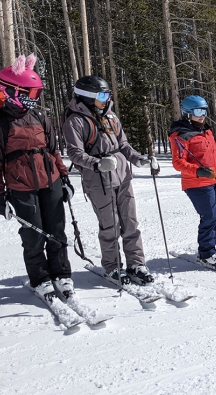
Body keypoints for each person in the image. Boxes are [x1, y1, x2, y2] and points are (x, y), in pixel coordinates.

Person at [0, 54, 73, 300]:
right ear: (12, 91)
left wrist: (64, 178)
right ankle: (40, 278)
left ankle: (61, 274)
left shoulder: (41, 117)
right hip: (21, 186)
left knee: (56, 230)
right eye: (30, 94)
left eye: (37, 94)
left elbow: (54, 150)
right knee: (33, 236)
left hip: (51, 181)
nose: (35, 99)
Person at [62, 76, 159, 285]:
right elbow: (75, 153)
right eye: (102, 95)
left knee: (130, 222)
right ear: (88, 96)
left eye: (107, 95)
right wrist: (97, 163)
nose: (107, 99)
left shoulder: (111, 116)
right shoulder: (75, 121)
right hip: (99, 180)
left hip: (123, 175)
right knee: (110, 226)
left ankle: (136, 263)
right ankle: (113, 267)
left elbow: (123, 144)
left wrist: (138, 159)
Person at [168, 95, 216, 269]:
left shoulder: (207, 131)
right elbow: (178, 163)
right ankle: (206, 252)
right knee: (210, 217)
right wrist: (198, 171)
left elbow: (215, 158)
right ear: (188, 113)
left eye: (204, 111)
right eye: (198, 112)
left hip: (215, 180)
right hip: (196, 183)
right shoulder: (180, 135)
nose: (202, 116)